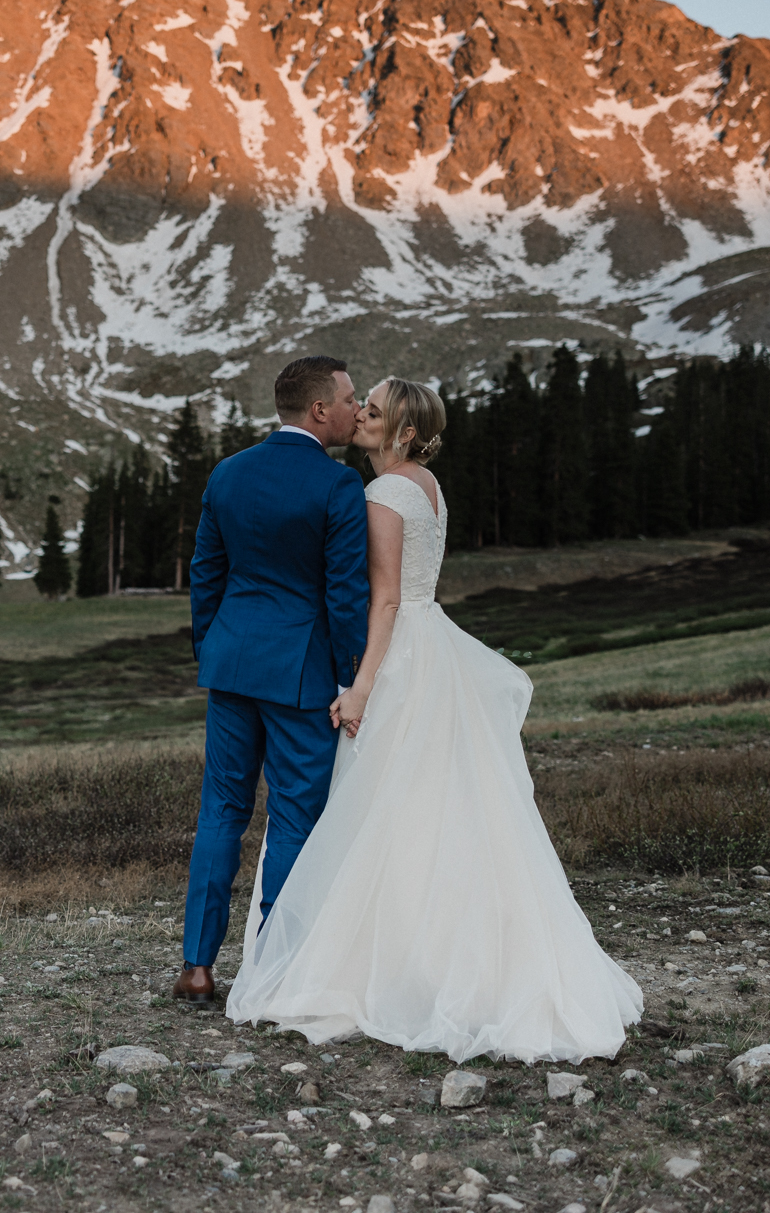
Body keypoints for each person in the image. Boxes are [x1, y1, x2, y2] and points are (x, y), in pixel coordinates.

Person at [223, 376, 643, 1061]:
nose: (361, 416)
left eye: (376, 412)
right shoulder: (426, 484)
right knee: (432, 807)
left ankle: (398, 965)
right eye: (363, 406)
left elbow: (385, 602)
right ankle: (436, 950)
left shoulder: (385, 494)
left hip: (401, 657)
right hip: (431, 644)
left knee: (387, 805)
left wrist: (358, 689)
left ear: (405, 431)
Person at [173, 356, 369, 1005]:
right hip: (301, 675)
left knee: (220, 812)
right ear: (319, 410)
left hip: (231, 667)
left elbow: (207, 574)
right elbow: (344, 597)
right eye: (347, 398)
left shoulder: (228, 473)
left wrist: (216, 650)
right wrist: (351, 679)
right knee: (292, 818)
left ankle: (197, 968)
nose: (354, 408)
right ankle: (273, 969)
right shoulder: (336, 485)